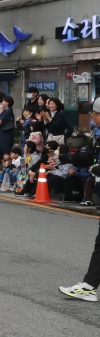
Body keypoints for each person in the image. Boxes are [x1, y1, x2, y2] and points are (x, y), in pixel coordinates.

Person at [59, 97, 100, 302]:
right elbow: (89, 157)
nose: (91, 117)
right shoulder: (97, 134)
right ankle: (89, 286)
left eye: (94, 113)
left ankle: (89, 287)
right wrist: (66, 158)